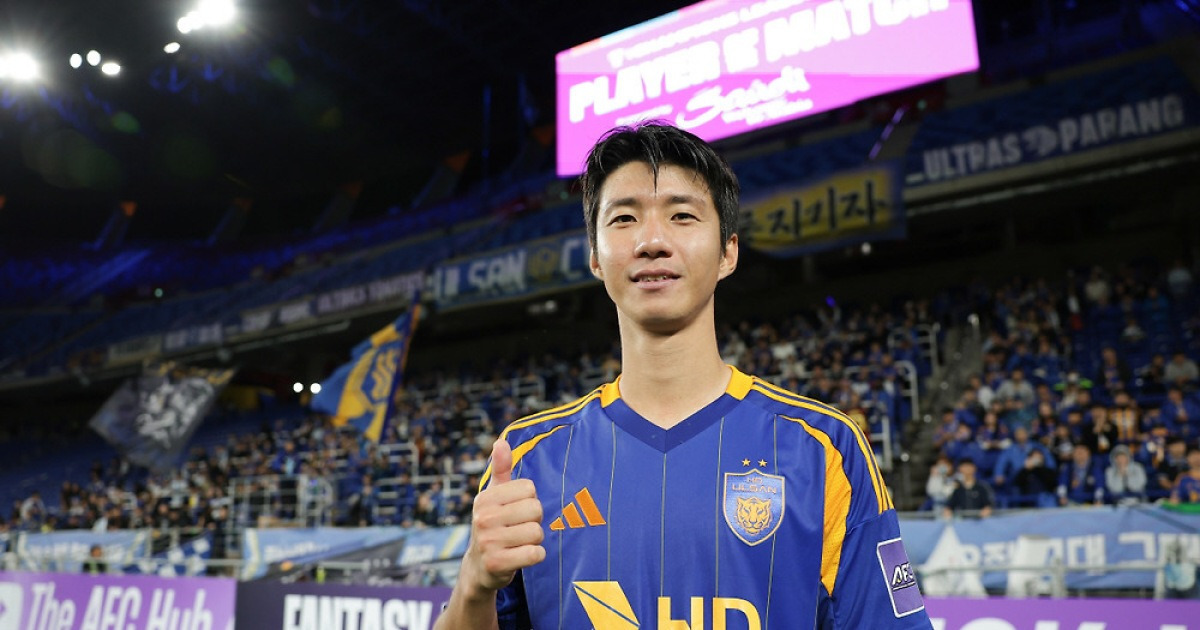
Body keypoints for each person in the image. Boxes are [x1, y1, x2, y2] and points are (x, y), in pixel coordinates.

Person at [435, 123, 932, 629]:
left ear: (728, 252)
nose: (652, 241)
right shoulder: (528, 460)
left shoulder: (823, 450)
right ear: (595, 257)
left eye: (682, 215)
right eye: (624, 218)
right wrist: (474, 581)